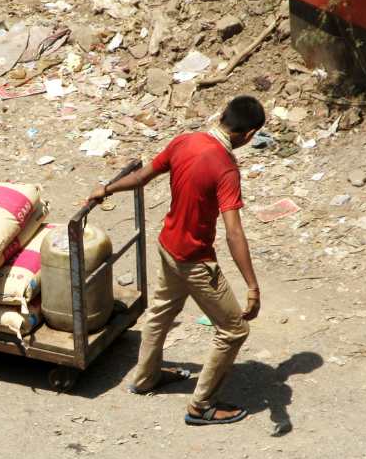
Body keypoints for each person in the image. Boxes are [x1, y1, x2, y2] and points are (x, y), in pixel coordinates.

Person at [88, 96, 265, 425]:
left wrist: (107, 189)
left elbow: (141, 177)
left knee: (161, 312)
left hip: (168, 246)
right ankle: (202, 405)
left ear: (222, 113)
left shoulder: (186, 140)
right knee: (234, 330)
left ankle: (146, 377)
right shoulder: (225, 167)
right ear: (249, 135)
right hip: (194, 259)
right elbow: (234, 233)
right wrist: (252, 286)